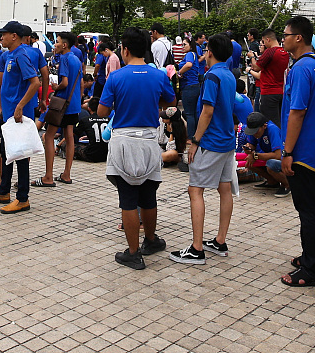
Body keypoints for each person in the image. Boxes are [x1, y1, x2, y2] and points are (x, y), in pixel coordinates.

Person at [97, 27, 175, 269]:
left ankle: (133, 252)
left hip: (124, 141)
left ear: (125, 49)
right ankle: (150, 240)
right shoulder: (158, 75)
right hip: (151, 141)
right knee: (149, 195)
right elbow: (170, 101)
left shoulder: (117, 77)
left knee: (128, 198)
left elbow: (102, 111)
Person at [171, 33, 238, 266]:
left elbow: (207, 111)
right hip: (227, 141)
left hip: (211, 142)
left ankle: (197, 248)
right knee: (224, 188)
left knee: (195, 190)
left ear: (209, 52)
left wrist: (195, 140)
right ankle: (220, 241)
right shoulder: (229, 75)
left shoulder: (212, 77)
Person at [279, 15, 315, 287]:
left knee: (308, 209)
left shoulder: (301, 68)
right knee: (309, 208)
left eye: (285, 34)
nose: (283, 38)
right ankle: (310, 256)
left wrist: (287, 151)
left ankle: (313, 270)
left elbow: (296, 112)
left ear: (298, 37)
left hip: (304, 150)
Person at [0, 21, 40, 214]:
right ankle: (3, 191)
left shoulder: (22, 55)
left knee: (20, 156)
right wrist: (1, 105)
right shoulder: (9, 55)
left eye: (4, 34)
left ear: (14, 36)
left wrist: (20, 106)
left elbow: (35, 82)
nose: (1, 38)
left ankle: (22, 198)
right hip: (8, 113)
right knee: (5, 152)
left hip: (18, 115)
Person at [38, 31, 82, 187]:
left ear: (64, 45)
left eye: (56, 42)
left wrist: (56, 87)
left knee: (48, 136)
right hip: (74, 104)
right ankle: (66, 174)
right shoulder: (76, 58)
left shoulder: (63, 58)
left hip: (61, 103)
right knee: (69, 137)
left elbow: (64, 82)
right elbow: (79, 83)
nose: (54, 45)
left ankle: (48, 176)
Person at [248, 30, 288, 126]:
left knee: (270, 122)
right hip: (281, 91)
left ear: (268, 39)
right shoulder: (284, 52)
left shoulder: (270, 51)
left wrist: (252, 57)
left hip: (268, 92)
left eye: (263, 41)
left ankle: (274, 140)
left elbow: (256, 67)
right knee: (279, 119)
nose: (264, 44)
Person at [176, 38, 204, 174]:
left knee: (190, 113)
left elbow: (188, 65)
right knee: (193, 113)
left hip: (189, 87)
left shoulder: (190, 54)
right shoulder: (194, 54)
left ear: (190, 45)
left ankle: (191, 136)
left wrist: (179, 73)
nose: (182, 47)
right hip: (194, 86)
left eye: (184, 45)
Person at [244, 111, 287, 194]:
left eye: (256, 131)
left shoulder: (272, 129)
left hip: (283, 160)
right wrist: (249, 148)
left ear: (264, 126)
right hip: (267, 158)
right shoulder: (255, 132)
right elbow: (252, 145)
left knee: (271, 164)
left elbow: (278, 155)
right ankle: (272, 182)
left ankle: (287, 185)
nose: (254, 134)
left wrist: (255, 156)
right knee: (249, 162)